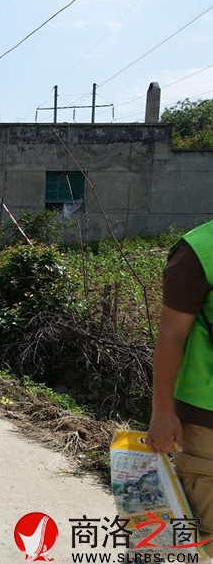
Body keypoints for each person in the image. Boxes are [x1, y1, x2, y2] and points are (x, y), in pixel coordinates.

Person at [146, 219, 213, 557]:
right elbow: (172, 336)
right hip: (207, 428)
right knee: (201, 542)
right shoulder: (200, 249)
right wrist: (162, 411)